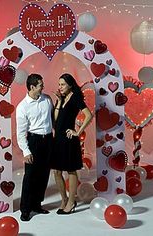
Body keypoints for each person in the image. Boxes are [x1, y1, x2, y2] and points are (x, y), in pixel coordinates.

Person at [51, 73, 93, 215]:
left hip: (69, 139)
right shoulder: (62, 99)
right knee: (56, 171)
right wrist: (58, 102)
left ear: (70, 84)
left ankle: (71, 202)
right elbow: (55, 122)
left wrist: (78, 132)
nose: (60, 87)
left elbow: (89, 115)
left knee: (70, 170)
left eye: (62, 84)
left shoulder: (75, 97)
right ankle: (64, 199)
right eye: (59, 84)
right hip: (57, 140)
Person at [16, 74, 53, 221]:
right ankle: (25, 209)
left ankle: (37, 205)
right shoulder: (22, 107)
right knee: (30, 176)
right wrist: (26, 151)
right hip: (34, 141)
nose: (43, 87)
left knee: (44, 174)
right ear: (32, 87)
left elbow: (53, 119)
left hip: (48, 140)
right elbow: (20, 133)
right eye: (40, 85)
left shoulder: (48, 100)